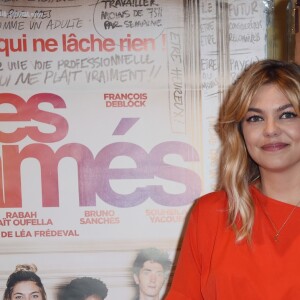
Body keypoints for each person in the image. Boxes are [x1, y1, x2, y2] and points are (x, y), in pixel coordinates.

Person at [165, 59, 300, 299]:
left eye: (287, 114)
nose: (270, 129)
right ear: (240, 132)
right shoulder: (210, 214)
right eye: (255, 118)